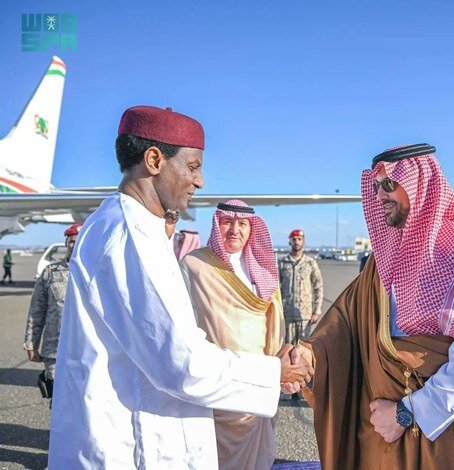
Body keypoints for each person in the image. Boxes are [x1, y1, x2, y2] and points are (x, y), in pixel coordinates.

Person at [48, 105, 311, 468]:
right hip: (132, 450)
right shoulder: (131, 236)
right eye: (192, 166)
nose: (200, 181)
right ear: (154, 159)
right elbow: (182, 363)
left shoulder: (129, 227)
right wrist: (272, 372)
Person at [291, 144, 454, 469]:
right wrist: (308, 357)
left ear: (421, 183)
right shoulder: (380, 261)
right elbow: (345, 324)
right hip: (382, 430)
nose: (381, 195)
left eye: (390, 184)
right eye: (376, 187)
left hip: (443, 430)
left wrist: (410, 411)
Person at [180, 200, 284, 469]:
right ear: (217, 224)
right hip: (219, 381)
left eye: (242, 224)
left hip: (259, 380)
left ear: (252, 229)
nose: (234, 230)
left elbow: (274, 321)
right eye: (228, 222)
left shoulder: (263, 269)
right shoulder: (195, 264)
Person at [23, 223, 81, 402]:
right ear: (66, 243)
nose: (75, 245)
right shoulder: (50, 272)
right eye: (71, 241)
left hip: (87, 350)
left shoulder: (99, 272)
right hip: (54, 350)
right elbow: (37, 311)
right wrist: (31, 344)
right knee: (57, 400)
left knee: (85, 401)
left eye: (79, 241)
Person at [278, 229, 324, 345]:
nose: (296, 242)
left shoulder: (310, 263)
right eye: (294, 239)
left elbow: (318, 287)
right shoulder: (283, 263)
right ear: (290, 242)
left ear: (303, 241)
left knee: (303, 348)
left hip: (305, 315)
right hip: (287, 314)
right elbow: (275, 289)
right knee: (288, 348)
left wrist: (316, 311)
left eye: (299, 239)